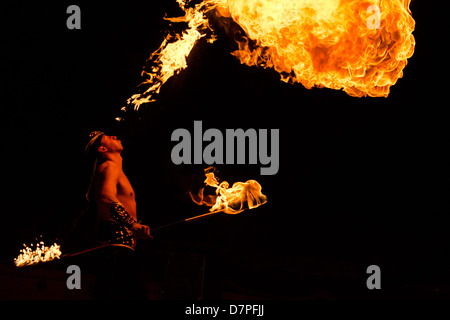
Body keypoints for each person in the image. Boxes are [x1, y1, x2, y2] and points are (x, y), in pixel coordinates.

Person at [84, 131, 152, 299]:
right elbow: (106, 197)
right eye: (107, 137)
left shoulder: (116, 171)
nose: (113, 136)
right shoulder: (109, 167)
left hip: (121, 249)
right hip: (114, 249)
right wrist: (132, 224)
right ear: (102, 148)